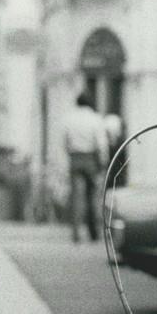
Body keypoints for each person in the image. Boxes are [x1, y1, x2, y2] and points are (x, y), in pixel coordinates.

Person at [63, 93, 108, 243]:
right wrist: (103, 162)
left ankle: (75, 233)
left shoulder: (69, 119)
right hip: (90, 158)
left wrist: (69, 153)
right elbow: (101, 143)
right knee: (92, 196)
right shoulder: (95, 119)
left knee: (76, 196)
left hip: (75, 158)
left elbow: (65, 140)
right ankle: (93, 232)